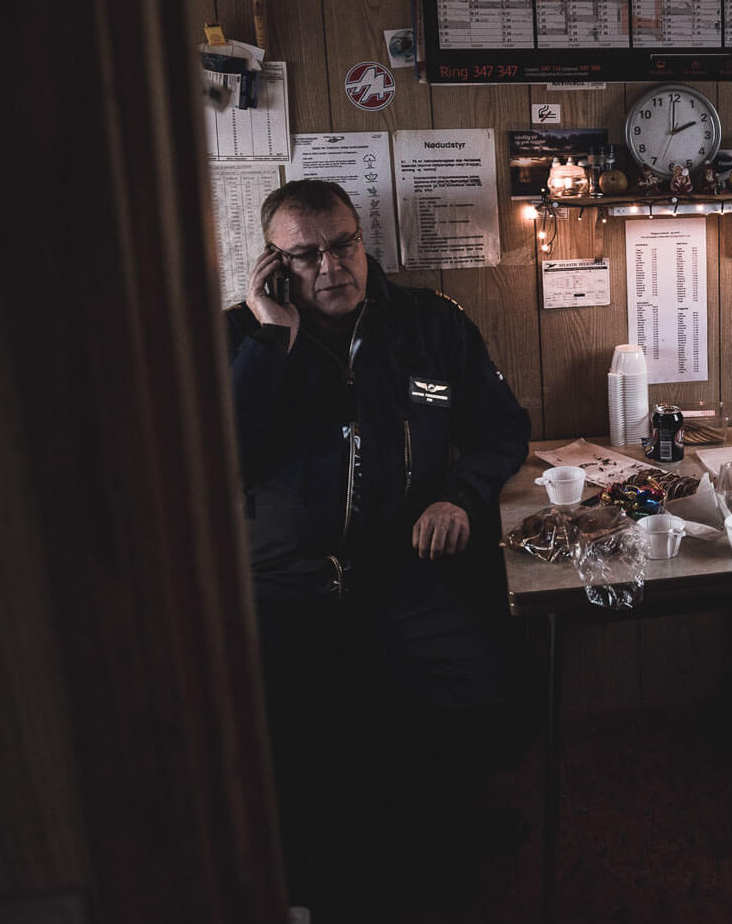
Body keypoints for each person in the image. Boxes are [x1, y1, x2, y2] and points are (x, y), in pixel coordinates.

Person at [226, 179, 533, 919]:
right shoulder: (239, 334)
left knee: (495, 687)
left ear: (363, 240)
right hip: (282, 584)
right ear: (273, 265)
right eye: (305, 254)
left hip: (401, 572)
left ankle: (443, 829)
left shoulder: (430, 324)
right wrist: (272, 339)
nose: (331, 265)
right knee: (303, 747)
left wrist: (460, 494)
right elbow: (217, 457)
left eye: (342, 244)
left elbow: (503, 429)